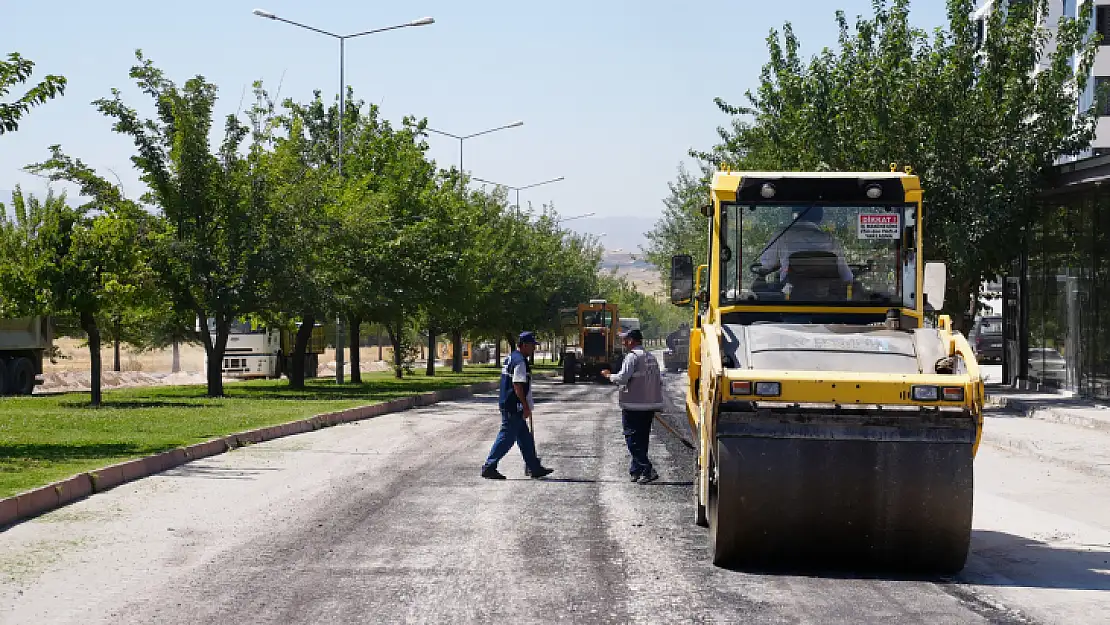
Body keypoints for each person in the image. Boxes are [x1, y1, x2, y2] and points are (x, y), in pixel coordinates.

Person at [481, 331, 554, 480]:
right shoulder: (520, 362)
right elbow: (517, 385)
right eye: (532, 346)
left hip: (509, 403)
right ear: (525, 345)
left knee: (525, 438)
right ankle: (489, 466)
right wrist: (525, 405)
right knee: (507, 437)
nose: (534, 348)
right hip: (513, 405)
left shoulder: (512, 357)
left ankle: (534, 467)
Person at [601, 329, 665, 484]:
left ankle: (647, 469)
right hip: (648, 405)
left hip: (634, 405)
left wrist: (609, 376)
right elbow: (658, 381)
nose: (623, 343)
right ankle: (636, 470)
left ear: (632, 341)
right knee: (642, 440)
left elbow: (623, 378)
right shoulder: (650, 357)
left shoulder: (632, 357)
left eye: (625, 340)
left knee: (632, 439)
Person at [759, 206, 853, 285]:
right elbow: (846, 276)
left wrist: (780, 262)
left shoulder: (781, 235)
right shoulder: (830, 240)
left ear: (794, 215)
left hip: (790, 296)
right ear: (819, 217)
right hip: (824, 298)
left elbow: (767, 263)